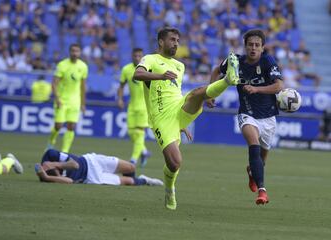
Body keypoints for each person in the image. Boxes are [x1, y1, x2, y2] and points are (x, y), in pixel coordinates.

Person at [133, 27, 239, 210]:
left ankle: (228, 80)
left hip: (179, 107)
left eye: (177, 40)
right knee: (175, 163)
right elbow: (138, 74)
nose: (176, 43)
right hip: (161, 118)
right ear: (161, 41)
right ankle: (169, 188)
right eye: (172, 39)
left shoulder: (180, 66)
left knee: (197, 93)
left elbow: (174, 93)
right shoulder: (150, 59)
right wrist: (160, 76)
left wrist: (182, 123)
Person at [211, 29, 283, 205]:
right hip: (247, 113)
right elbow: (215, 72)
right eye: (250, 45)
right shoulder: (235, 61)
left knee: (261, 160)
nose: (253, 48)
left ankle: (252, 171)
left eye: (257, 45)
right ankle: (262, 191)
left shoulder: (268, 61)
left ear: (262, 47)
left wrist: (256, 88)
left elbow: (279, 86)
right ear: (245, 46)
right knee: (254, 145)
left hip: (268, 116)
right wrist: (210, 93)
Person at [35, 149, 163, 186]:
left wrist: (54, 164)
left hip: (92, 161)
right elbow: (69, 181)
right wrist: (46, 177)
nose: (58, 172)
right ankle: (145, 180)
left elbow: (75, 165)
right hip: (91, 178)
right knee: (128, 181)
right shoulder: (46, 175)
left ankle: (136, 179)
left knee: (130, 167)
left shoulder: (51, 154)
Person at [47, 43, 88, 153]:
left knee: (71, 126)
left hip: (75, 101)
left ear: (80, 53)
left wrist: (83, 104)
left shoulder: (83, 66)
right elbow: (54, 84)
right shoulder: (62, 65)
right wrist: (57, 98)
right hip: (62, 99)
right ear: (69, 52)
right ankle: (51, 141)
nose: (75, 53)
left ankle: (65, 151)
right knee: (58, 125)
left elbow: (83, 86)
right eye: (73, 51)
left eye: (77, 51)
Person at [117, 48, 151, 167]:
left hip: (144, 106)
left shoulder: (148, 69)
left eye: (139, 56)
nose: (137, 58)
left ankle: (133, 160)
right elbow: (121, 86)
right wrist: (120, 99)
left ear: (142, 57)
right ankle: (144, 151)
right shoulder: (126, 69)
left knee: (140, 132)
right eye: (135, 56)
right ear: (131, 56)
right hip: (132, 105)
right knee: (132, 133)